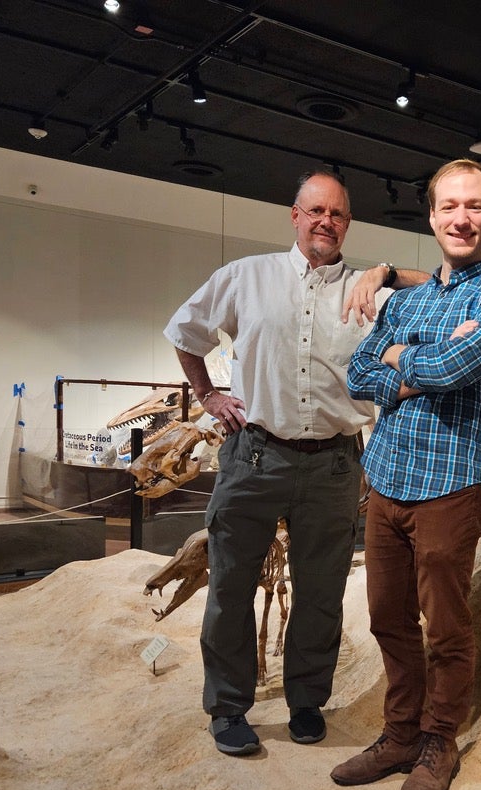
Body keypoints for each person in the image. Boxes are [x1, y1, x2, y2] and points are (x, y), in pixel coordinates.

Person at [164, 170, 424, 757]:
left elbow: (439, 283)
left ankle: (307, 700)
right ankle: (228, 706)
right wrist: (208, 395)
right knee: (231, 584)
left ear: (347, 224)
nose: (324, 222)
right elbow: (184, 330)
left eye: (336, 214)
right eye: (315, 211)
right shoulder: (246, 277)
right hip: (253, 455)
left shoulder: (369, 292)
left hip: (333, 464)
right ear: (294, 215)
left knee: (322, 589)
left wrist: (382, 271)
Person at [332, 159, 481, 790]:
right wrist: (411, 363)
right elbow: (359, 375)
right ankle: (399, 733)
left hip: (451, 481)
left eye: (474, 206)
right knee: (387, 616)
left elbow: (456, 367)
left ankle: (438, 741)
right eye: (450, 206)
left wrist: (402, 357)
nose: (461, 218)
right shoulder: (411, 300)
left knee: (444, 626)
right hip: (387, 477)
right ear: (433, 216)